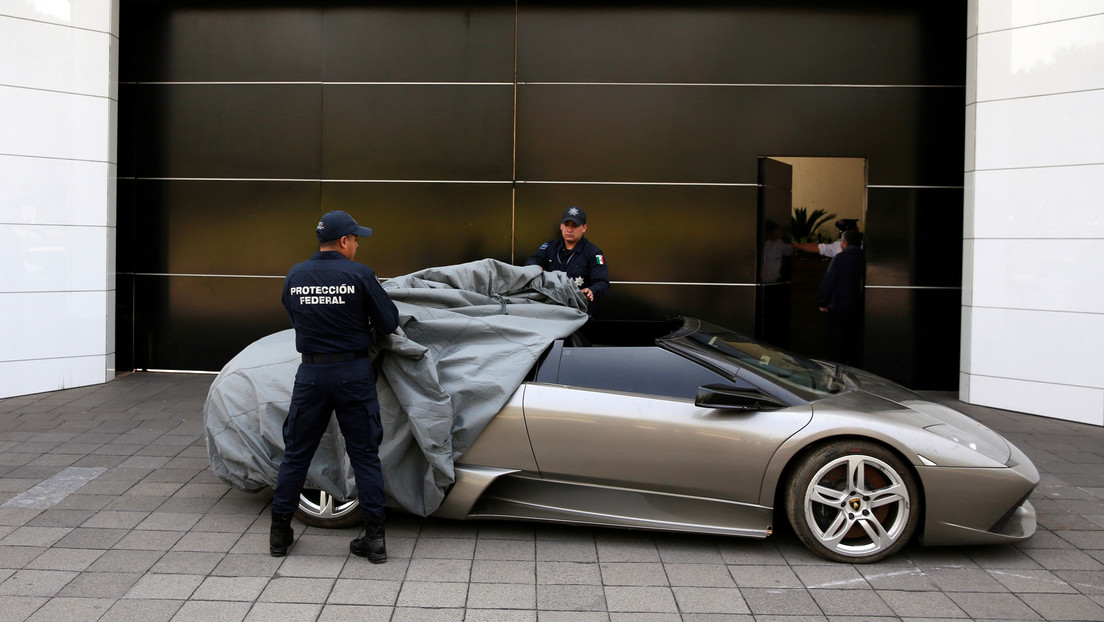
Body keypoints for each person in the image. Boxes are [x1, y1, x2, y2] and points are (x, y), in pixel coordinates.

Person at [270, 210, 400, 563]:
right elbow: (389, 323)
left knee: (296, 453)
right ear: (344, 241)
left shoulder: (295, 275)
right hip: (353, 374)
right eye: (356, 239)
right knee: (364, 456)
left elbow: (295, 317)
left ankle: (279, 534)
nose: (357, 244)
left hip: (310, 375)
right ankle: (374, 540)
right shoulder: (359, 274)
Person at [525, 206, 610, 306]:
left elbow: (602, 283)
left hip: (578, 310)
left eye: (575, 225)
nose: (569, 230)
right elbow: (532, 261)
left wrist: (592, 290)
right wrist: (537, 270)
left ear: (584, 228)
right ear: (561, 226)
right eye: (566, 225)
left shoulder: (593, 253)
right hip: (551, 307)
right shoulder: (550, 247)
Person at [819, 229, 865, 366]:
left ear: (844, 242)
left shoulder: (840, 258)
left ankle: (836, 372)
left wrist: (823, 302)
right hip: (858, 306)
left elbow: (829, 281)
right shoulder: (864, 257)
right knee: (855, 343)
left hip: (839, 306)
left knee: (837, 343)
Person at [794, 219, 859, 258]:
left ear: (857, 230)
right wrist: (794, 245)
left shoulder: (863, 246)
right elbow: (817, 247)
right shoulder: (837, 245)